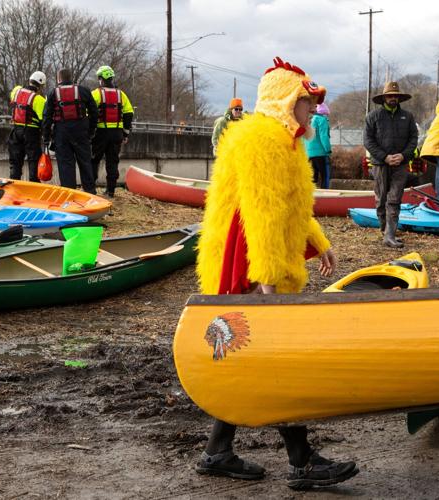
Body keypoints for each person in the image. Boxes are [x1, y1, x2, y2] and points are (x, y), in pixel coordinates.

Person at [194, 56, 357, 491]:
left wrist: (319, 241)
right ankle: (301, 463)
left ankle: (218, 452)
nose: (312, 110)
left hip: (254, 263)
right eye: (307, 101)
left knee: (250, 363)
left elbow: (290, 205)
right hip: (246, 265)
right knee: (276, 360)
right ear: (286, 101)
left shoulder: (284, 142)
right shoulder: (262, 140)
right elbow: (261, 214)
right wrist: (267, 280)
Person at [364, 81, 418, 248]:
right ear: (384, 98)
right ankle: (384, 229)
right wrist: (385, 157)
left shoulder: (408, 117)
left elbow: (413, 139)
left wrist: (403, 156)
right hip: (380, 164)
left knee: (394, 199)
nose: (393, 98)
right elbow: (368, 141)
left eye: (395, 95)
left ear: (399, 98)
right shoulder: (372, 117)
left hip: (401, 165)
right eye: (390, 96)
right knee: (381, 199)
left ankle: (390, 235)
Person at [41, 68, 98, 194]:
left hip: (62, 133)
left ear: (59, 79)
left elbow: (46, 117)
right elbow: (94, 112)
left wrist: (46, 137)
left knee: (66, 165)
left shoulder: (52, 93)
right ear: (70, 77)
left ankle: (69, 195)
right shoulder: (83, 91)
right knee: (85, 162)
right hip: (81, 131)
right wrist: (91, 131)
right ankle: (90, 193)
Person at [90, 65, 134, 198]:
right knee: (112, 162)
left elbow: (89, 113)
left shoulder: (96, 94)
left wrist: (89, 132)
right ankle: (110, 191)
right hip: (116, 133)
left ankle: (91, 190)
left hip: (100, 133)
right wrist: (125, 133)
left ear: (101, 79)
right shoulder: (121, 95)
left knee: (94, 160)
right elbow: (129, 114)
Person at [8, 71, 47, 182]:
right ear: (41, 86)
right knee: (34, 161)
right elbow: (43, 120)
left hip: (15, 131)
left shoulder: (16, 91)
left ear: (29, 81)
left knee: (15, 161)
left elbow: (14, 95)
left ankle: (14, 183)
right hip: (31, 132)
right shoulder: (39, 100)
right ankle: (34, 185)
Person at [305, 101, 332, 188]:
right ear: (324, 113)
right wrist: (328, 150)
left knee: (313, 177)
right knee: (325, 176)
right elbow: (324, 136)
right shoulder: (322, 120)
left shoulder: (309, 119)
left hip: (308, 153)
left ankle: (311, 195)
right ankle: (326, 194)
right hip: (320, 152)